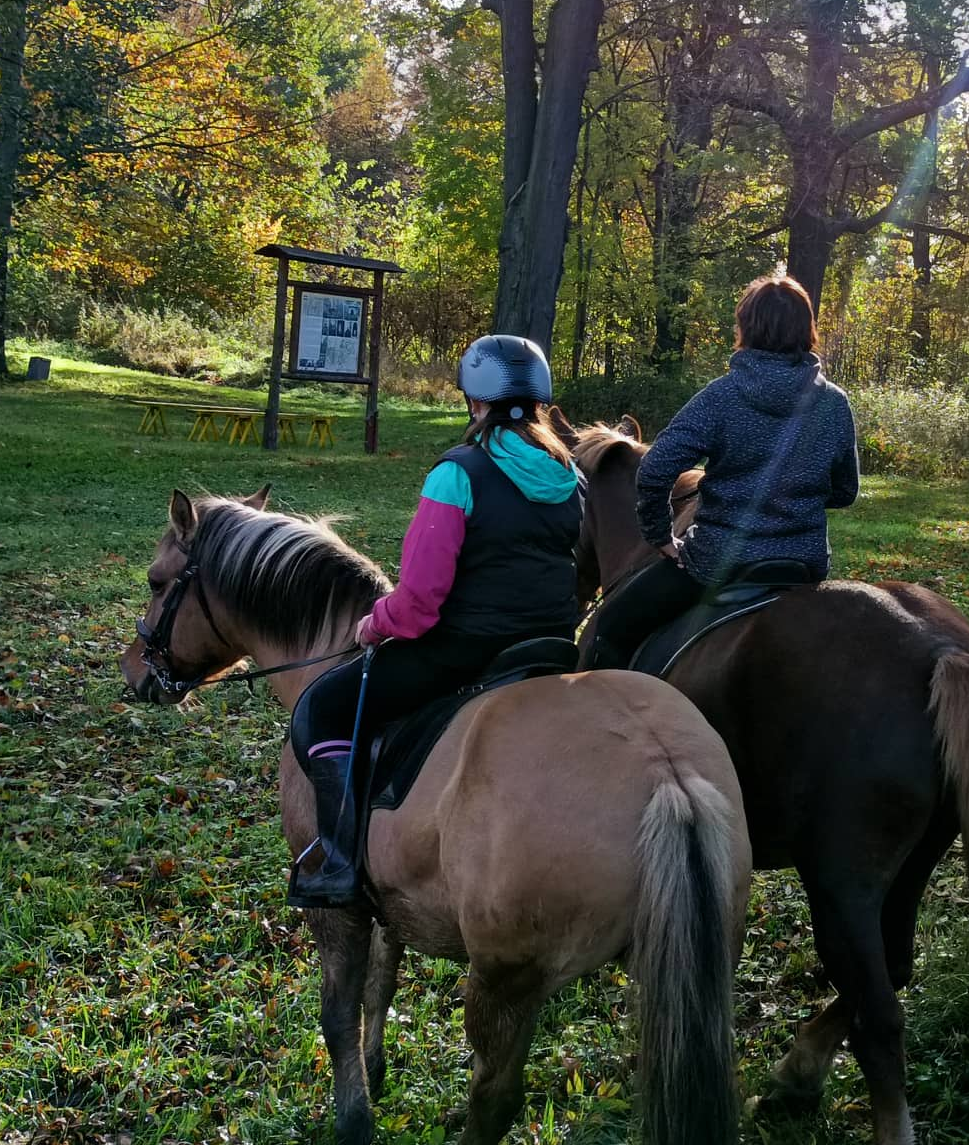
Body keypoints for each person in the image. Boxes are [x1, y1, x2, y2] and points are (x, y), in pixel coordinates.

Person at [288, 334, 585, 908]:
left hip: (463, 648)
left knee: (324, 708)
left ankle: (342, 864)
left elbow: (421, 602)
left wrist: (375, 623)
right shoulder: (570, 478)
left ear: (475, 400)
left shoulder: (458, 472)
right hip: (547, 646)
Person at [588, 275, 859, 671]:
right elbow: (845, 491)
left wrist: (661, 537)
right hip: (802, 563)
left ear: (745, 327)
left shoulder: (720, 397)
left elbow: (655, 469)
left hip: (717, 562)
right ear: (808, 329)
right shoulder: (834, 404)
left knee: (609, 627)